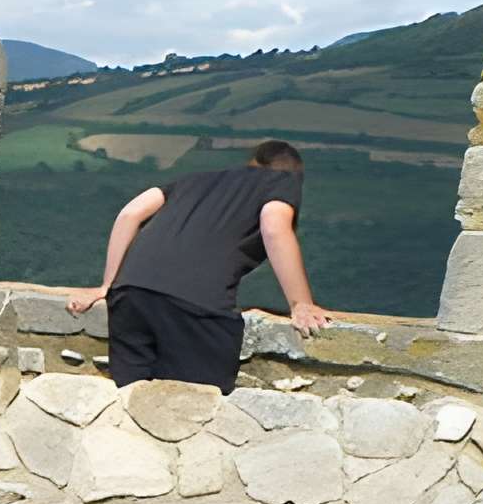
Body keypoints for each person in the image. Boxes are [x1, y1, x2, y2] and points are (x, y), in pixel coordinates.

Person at [65, 139, 333, 391]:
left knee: (130, 401)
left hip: (130, 295)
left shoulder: (195, 179)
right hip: (195, 305)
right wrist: (301, 303)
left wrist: (107, 285)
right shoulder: (282, 181)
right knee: (198, 408)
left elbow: (130, 213)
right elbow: (274, 228)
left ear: (252, 161)